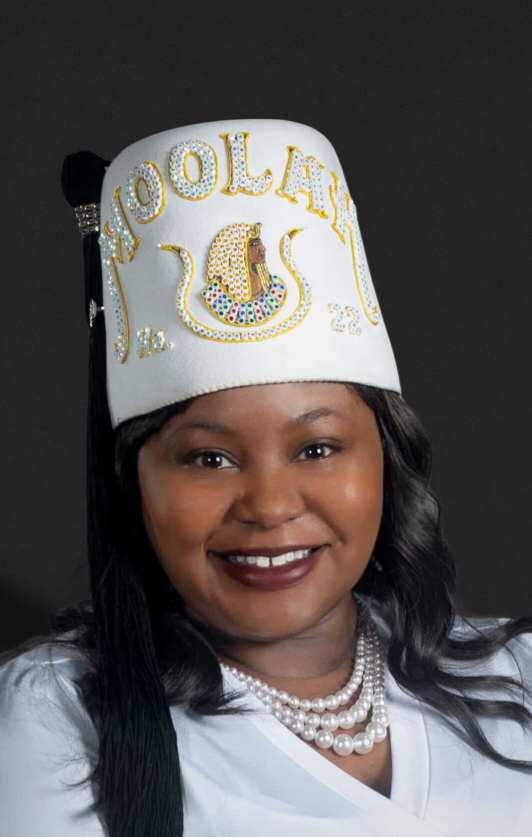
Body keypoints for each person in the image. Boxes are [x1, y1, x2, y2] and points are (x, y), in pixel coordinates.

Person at [0, 118, 531, 837]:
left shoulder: (517, 682)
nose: (271, 506)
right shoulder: (57, 719)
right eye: (209, 458)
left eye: (317, 448)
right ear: (133, 481)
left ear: (386, 457)